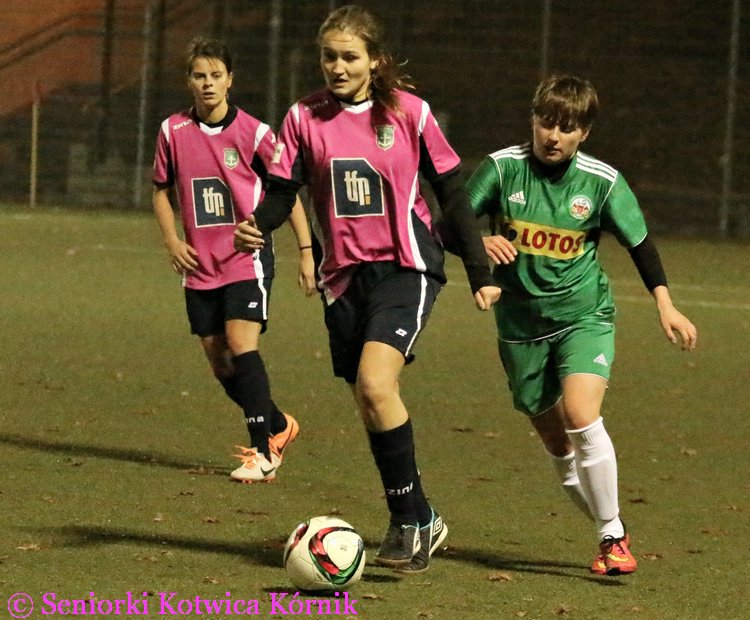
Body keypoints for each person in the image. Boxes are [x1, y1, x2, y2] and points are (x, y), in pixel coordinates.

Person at [234, 4, 501, 573]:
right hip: (344, 278)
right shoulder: (303, 117)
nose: (338, 67)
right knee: (368, 397)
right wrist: (259, 222)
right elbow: (282, 191)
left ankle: (407, 522)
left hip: (406, 265)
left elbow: (452, 192)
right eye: (329, 57)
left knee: (377, 383)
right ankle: (422, 516)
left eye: (350, 57)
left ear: (374, 60)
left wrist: (479, 271)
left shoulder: (409, 113)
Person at [466, 74, 698, 575]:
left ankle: (611, 536)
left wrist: (665, 304)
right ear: (533, 119)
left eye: (567, 127)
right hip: (520, 327)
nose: (553, 136)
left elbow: (640, 243)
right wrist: (477, 243)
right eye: (546, 122)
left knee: (580, 412)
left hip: (583, 315)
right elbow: (449, 221)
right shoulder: (502, 169)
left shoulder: (601, 181)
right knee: (558, 444)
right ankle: (611, 528)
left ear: (584, 133)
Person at [152, 37, 316, 484]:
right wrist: (172, 241)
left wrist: (306, 251)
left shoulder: (255, 133)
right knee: (221, 364)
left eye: (216, 75)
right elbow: (161, 190)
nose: (207, 83)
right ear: (189, 81)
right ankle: (277, 424)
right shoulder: (172, 131)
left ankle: (263, 453)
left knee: (242, 346)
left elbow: (287, 194)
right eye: (199, 76)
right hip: (199, 266)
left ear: (230, 80)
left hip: (247, 259)